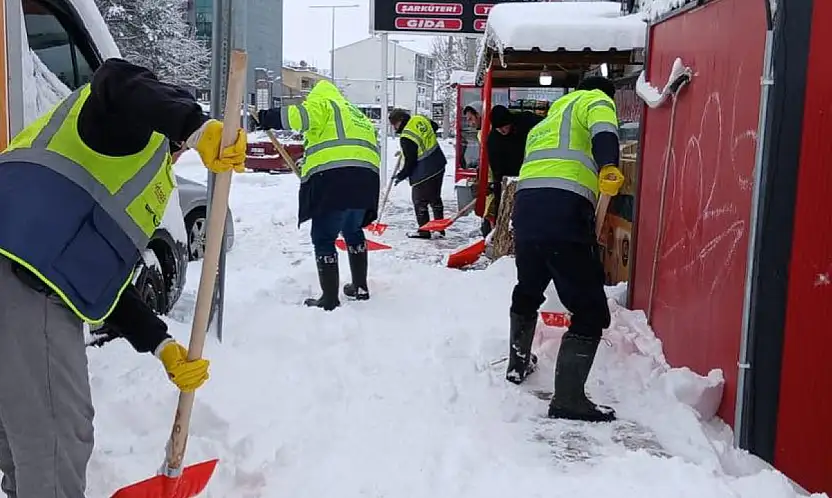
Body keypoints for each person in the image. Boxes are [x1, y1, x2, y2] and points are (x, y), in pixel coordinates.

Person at [0, 58, 244, 498]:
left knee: (19, 437)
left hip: (25, 267)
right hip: (21, 273)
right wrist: (195, 125)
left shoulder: (138, 177)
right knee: (56, 439)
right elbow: (114, 75)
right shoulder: (123, 131)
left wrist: (161, 344)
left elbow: (95, 277)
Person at [507, 76, 625, 423]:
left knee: (529, 289)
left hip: (526, 211)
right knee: (590, 310)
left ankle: (517, 364)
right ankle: (568, 400)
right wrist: (609, 165)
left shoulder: (546, 122)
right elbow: (605, 131)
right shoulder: (594, 99)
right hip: (564, 210)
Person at [257, 81, 380, 309]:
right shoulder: (356, 114)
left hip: (335, 179)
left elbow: (298, 117)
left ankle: (329, 299)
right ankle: (360, 287)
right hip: (366, 179)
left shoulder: (324, 104)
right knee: (353, 230)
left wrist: (267, 117)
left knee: (324, 237)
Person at [388, 109, 447, 239]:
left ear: (400, 121)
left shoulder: (406, 137)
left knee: (420, 201)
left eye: (394, 124)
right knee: (435, 198)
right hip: (438, 163)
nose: (394, 128)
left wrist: (401, 176)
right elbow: (434, 127)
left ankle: (424, 231)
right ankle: (440, 229)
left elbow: (411, 162)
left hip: (424, 171)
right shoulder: (419, 119)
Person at [486, 105, 544, 219]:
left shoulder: (525, 120)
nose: (502, 130)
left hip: (535, 169)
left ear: (510, 122)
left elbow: (546, 124)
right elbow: (497, 173)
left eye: (504, 126)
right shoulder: (493, 140)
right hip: (511, 176)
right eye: (498, 128)